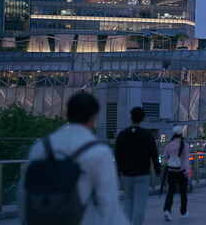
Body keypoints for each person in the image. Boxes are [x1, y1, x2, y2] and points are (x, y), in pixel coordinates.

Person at [20, 92, 129, 225]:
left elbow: (24, 192)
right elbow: (109, 204)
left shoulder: (40, 147)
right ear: (94, 117)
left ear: (67, 113)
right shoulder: (99, 152)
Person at [115, 107, 162, 225]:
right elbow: (154, 154)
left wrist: (118, 171)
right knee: (140, 203)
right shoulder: (147, 135)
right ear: (142, 119)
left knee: (128, 201)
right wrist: (157, 170)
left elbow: (117, 155)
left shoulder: (122, 134)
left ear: (131, 117)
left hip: (126, 174)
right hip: (143, 174)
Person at [163, 126, 190, 221]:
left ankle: (167, 210)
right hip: (182, 172)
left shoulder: (169, 145)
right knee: (183, 193)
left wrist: (170, 163)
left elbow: (165, 158)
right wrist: (188, 172)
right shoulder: (185, 145)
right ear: (181, 134)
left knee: (170, 192)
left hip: (171, 171)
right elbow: (186, 160)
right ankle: (183, 212)